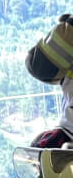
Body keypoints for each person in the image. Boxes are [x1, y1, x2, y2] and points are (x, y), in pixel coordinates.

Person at [25, 15, 73, 148]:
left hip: (68, 131)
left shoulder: (67, 34)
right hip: (67, 130)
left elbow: (37, 65)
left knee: (41, 148)